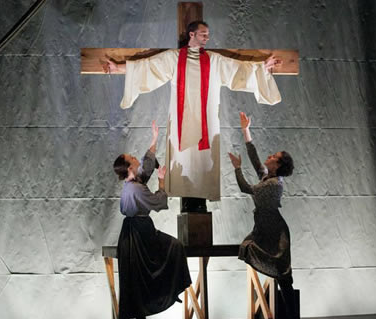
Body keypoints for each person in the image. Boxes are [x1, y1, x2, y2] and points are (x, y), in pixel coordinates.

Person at [105, 21, 282, 206]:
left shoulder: (214, 61)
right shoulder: (173, 59)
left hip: (207, 126)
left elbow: (239, 70)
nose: (207, 38)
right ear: (191, 34)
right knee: (182, 165)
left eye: (208, 34)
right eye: (203, 34)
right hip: (181, 128)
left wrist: (262, 67)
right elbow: (147, 68)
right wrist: (118, 68)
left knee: (203, 167)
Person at [113, 121, 192, 319]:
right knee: (174, 248)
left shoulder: (132, 184)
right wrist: (163, 181)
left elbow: (146, 168)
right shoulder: (137, 190)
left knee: (137, 276)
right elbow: (158, 201)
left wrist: (155, 139)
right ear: (129, 167)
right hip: (141, 233)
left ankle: (143, 315)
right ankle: (171, 288)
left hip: (132, 232)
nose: (136, 159)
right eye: (133, 159)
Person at [228, 112, 298, 319]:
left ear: (277, 165)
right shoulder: (268, 177)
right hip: (263, 228)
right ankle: (288, 316)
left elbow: (247, 188)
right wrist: (246, 130)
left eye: (273, 156)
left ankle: (290, 317)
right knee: (278, 271)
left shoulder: (273, 184)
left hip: (275, 231)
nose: (269, 156)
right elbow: (256, 159)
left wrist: (237, 168)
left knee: (283, 273)